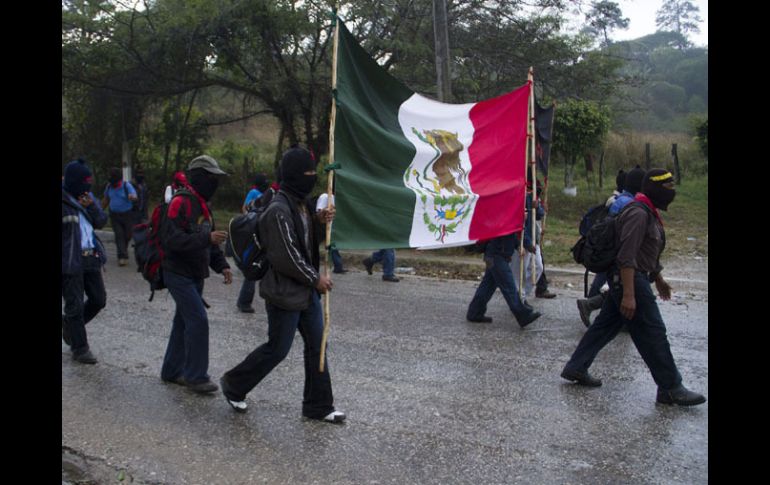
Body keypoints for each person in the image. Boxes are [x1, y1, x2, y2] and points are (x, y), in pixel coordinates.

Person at [220, 146, 346, 423]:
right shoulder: (277, 209)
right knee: (277, 349)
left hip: (306, 292)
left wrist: (318, 220)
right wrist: (316, 279)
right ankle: (234, 384)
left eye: (314, 172)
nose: (312, 177)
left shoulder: (300, 204)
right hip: (283, 292)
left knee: (319, 345)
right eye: (308, 173)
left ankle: (318, 405)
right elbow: (285, 255)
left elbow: (302, 238)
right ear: (293, 175)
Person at [561, 169, 706, 406]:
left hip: (631, 278)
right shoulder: (639, 213)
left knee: (604, 327)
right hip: (630, 280)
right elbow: (627, 256)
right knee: (653, 332)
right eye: (669, 187)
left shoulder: (647, 211)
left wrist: (658, 279)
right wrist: (629, 295)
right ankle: (670, 387)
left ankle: (576, 367)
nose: (673, 192)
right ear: (655, 188)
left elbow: (645, 251)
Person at [159, 155, 233, 394]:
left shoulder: (203, 205)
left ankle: (171, 371)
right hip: (177, 273)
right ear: (200, 177)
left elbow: (209, 244)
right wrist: (206, 238)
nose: (215, 183)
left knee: (183, 322)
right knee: (198, 321)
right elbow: (171, 239)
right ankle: (196, 376)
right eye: (211, 178)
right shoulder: (180, 203)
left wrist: (222, 265)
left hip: (195, 274)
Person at [577, 166, 646, 327]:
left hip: (611, 250)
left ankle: (590, 304)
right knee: (624, 287)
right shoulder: (630, 204)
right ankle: (592, 306)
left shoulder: (620, 199)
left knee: (611, 282)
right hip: (619, 252)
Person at [62, 159, 108, 364]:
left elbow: (101, 221)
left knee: (99, 299)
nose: (87, 186)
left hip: (91, 257)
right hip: (70, 259)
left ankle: (69, 325)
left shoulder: (87, 198)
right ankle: (80, 348)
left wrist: (91, 207)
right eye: (84, 182)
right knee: (75, 306)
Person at [466, 231, 542, 328]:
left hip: (494, 255)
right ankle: (523, 315)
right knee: (509, 287)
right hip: (497, 256)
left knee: (487, 286)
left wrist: (519, 245)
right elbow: (508, 233)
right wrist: (523, 244)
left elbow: (510, 233)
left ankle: (474, 312)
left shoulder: (505, 218)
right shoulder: (503, 217)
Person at [236, 173, 272, 313]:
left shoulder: (268, 194)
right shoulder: (254, 192)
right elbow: (245, 208)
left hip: (263, 230)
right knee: (254, 266)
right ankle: (244, 301)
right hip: (255, 230)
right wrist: (251, 220)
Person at [101, 167, 139, 266]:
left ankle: (123, 250)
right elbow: (106, 199)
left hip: (127, 214)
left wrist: (132, 197)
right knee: (119, 235)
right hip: (114, 215)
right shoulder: (109, 187)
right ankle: (122, 257)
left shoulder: (126, 186)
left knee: (127, 235)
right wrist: (100, 209)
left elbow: (134, 196)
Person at [316, 192, 347, 274]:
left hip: (331, 227)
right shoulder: (325, 196)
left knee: (332, 246)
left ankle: (338, 266)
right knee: (330, 246)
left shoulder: (334, 198)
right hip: (323, 226)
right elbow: (319, 211)